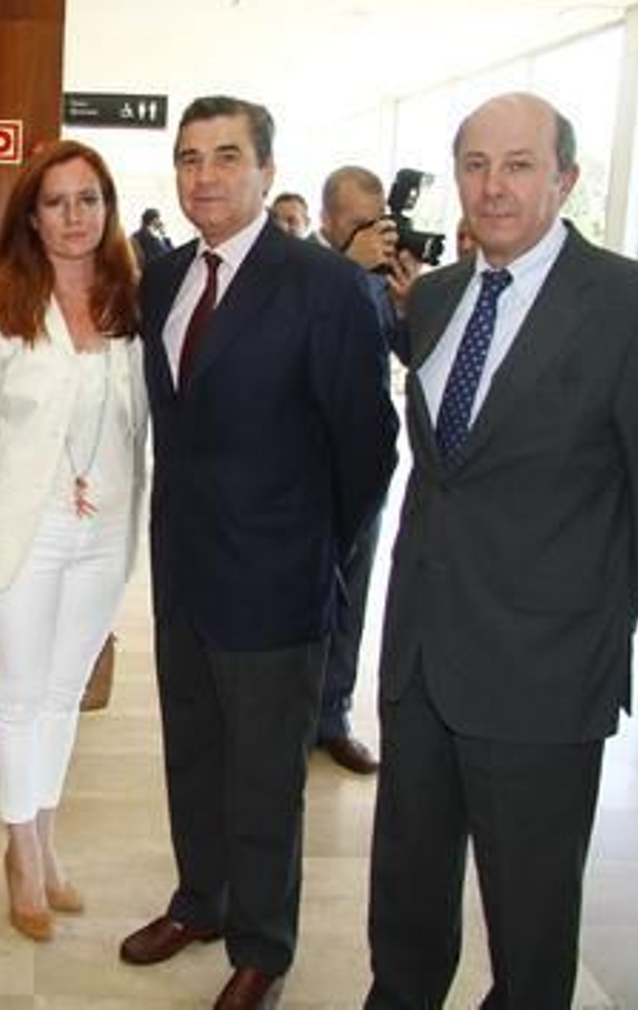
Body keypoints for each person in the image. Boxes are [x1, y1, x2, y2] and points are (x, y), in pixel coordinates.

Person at [366, 92, 638, 1008]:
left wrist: (585, 622)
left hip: (544, 671)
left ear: (566, 178)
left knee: (529, 917)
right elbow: (446, 473)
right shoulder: (437, 297)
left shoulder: (637, 306)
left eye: (519, 165)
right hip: (422, 657)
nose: (493, 187)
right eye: (475, 165)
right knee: (405, 894)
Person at [120, 95, 398, 1009]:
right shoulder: (164, 278)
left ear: (267, 170)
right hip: (183, 570)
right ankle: (200, 901)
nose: (205, 175)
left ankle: (263, 947)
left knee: (267, 778)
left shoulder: (323, 284)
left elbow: (368, 445)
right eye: (189, 157)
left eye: (227, 156)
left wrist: (316, 546)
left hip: (278, 579)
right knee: (193, 752)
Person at [0, 139, 148, 942]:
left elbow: (139, 426)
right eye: (56, 202)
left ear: (108, 209)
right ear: (31, 217)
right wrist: (28, 486)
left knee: (66, 694)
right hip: (23, 530)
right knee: (21, 694)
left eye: (88, 199)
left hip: (106, 529)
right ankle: (22, 853)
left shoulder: (130, 306)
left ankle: (47, 837)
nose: (74, 217)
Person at [311, 163, 426, 775]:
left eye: (377, 222)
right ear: (328, 220)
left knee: (353, 594)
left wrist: (411, 301)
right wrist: (350, 271)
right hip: (305, 462)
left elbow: (409, 351)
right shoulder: (305, 270)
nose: (371, 235)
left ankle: (332, 718)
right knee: (305, 593)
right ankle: (291, 716)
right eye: (358, 223)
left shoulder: (379, 276)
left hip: (367, 459)